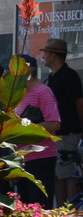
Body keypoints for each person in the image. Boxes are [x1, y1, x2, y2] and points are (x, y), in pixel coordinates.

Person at [40, 39, 82, 206]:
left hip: (68, 132)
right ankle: (60, 212)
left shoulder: (69, 76)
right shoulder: (51, 77)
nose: (43, 56)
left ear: (52, 54)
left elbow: (79, 103)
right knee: (57, 174)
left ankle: (72, 213)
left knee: (69, 173)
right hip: (55, 133)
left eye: (45, 53)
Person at [16, 59, 61, 206]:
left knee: (39, 206)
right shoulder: (19, 94)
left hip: (40, 158)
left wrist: (27, 130)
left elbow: (54, 122)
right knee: (25, 206)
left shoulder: (43, 92)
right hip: (22, 158)